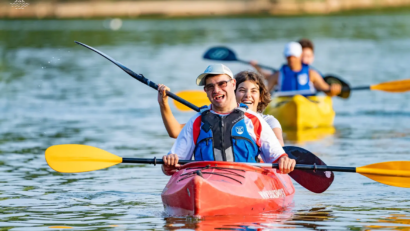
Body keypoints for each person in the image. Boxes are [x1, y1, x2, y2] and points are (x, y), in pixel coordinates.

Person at [161, 64, 295, 175]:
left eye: (222, 84)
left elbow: (278, 157)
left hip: (247, 182)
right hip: (204, 181)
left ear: (233, 84)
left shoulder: (255, 121)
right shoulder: (196, 121)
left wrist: (285, 161)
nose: (216, 90)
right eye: (210, 87)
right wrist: (169, 165)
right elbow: (173, 165)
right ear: (205, 91)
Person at [157, 71, 284, 146]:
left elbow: (278, 147)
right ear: (232, 93)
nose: (247, 95)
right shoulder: (213, 119)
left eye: (253, 91)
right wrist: (164, 104)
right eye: (242, 90)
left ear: (261, 97)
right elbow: (175, 132)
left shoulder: (269, 122)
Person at [251, 42, 341, 96]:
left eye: (294, 56)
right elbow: (264, 94)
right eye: (289, 57)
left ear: (300, 56)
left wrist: (333, 90)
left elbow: (326, 90)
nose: (292, 59)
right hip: (285, 105)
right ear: (285, 57)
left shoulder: (311, 74)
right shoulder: (278, 75)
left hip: (307, 104)